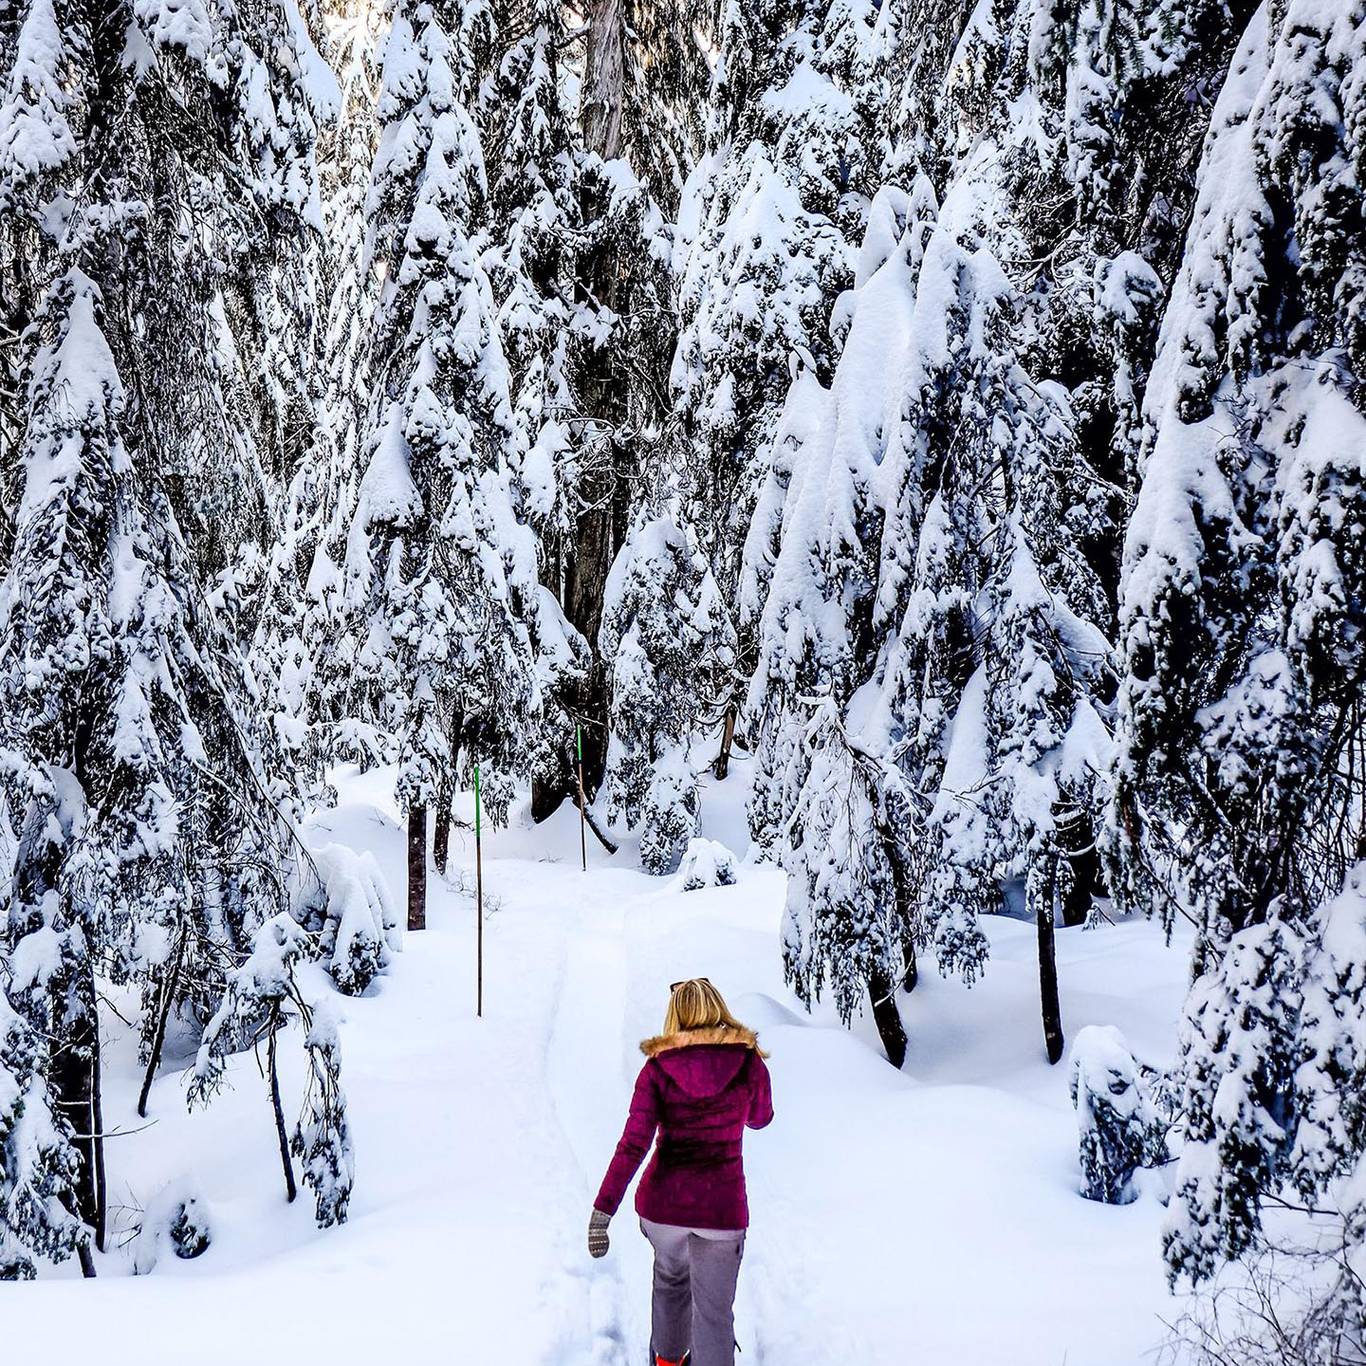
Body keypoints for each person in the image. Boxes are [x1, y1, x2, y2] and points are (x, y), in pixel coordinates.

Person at [588, 977, 774, 1366]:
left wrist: (603, 1211)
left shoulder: (657, 1069)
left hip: (663, 1208)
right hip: (720, 1211)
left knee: (671, 1284)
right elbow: (761, 1119)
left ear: (674, 1016)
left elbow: (633, 1144)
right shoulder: (747, 1061)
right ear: (719, 1009)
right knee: (714, 1313)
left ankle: (668, 1362)